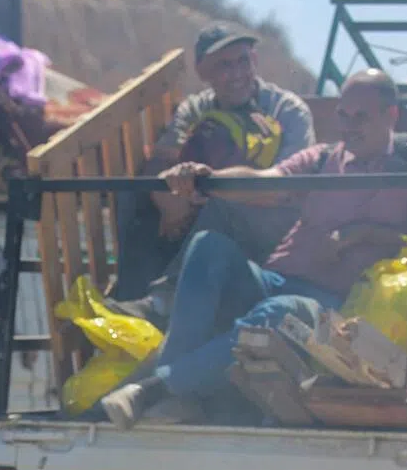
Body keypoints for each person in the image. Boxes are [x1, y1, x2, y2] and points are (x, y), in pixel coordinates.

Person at [100, 69, 407, 429]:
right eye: (343, 115)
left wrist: (363, 234)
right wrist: (206, 177)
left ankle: (154, 391)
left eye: (362, 116)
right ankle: (178, 393)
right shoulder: (324, 158)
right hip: (278, 278)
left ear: (392, 115)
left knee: (281, 313)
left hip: (338, 305)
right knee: (209, 247)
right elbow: (264, 182)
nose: (349, 126)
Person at [110, 22, 315, 309]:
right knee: (134, 195)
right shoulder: (195, 109)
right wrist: (169, 203)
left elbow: (288, 188)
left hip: (270, 220)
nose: (237, 74)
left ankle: (164, 302)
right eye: (223, 65)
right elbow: (164, 163)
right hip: (199, 208)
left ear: (255, 61)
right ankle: (128, 300)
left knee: (222, 200)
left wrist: (217, 186)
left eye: (243, 61)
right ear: (203, 72)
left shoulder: (287, 110)